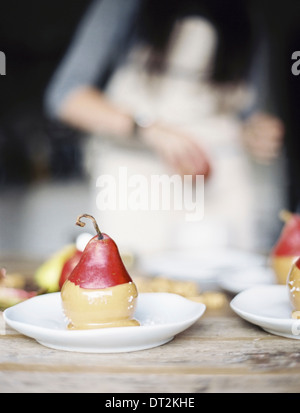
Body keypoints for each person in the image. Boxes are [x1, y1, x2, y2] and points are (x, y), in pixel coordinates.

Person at [45, 0, 285, 255]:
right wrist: (147, 128)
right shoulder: (123, 7)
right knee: (135, 280)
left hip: (221, 186)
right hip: (137, 184)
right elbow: (65, 97)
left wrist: (256, 133)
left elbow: (248, 114)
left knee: (225, 283)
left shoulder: (247, 16)